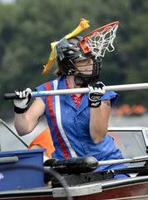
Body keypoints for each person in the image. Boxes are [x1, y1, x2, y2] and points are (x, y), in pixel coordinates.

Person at [12, 20, 126, 174]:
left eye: (91, 59)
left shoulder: (101, 91)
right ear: (68, 65)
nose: (90, 64)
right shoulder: (49, 91)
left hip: (107, 166)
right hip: (69, 171)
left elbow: (97, 136)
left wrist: (95, 103)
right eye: (84, 61)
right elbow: (23, 129)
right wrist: (19, 108)